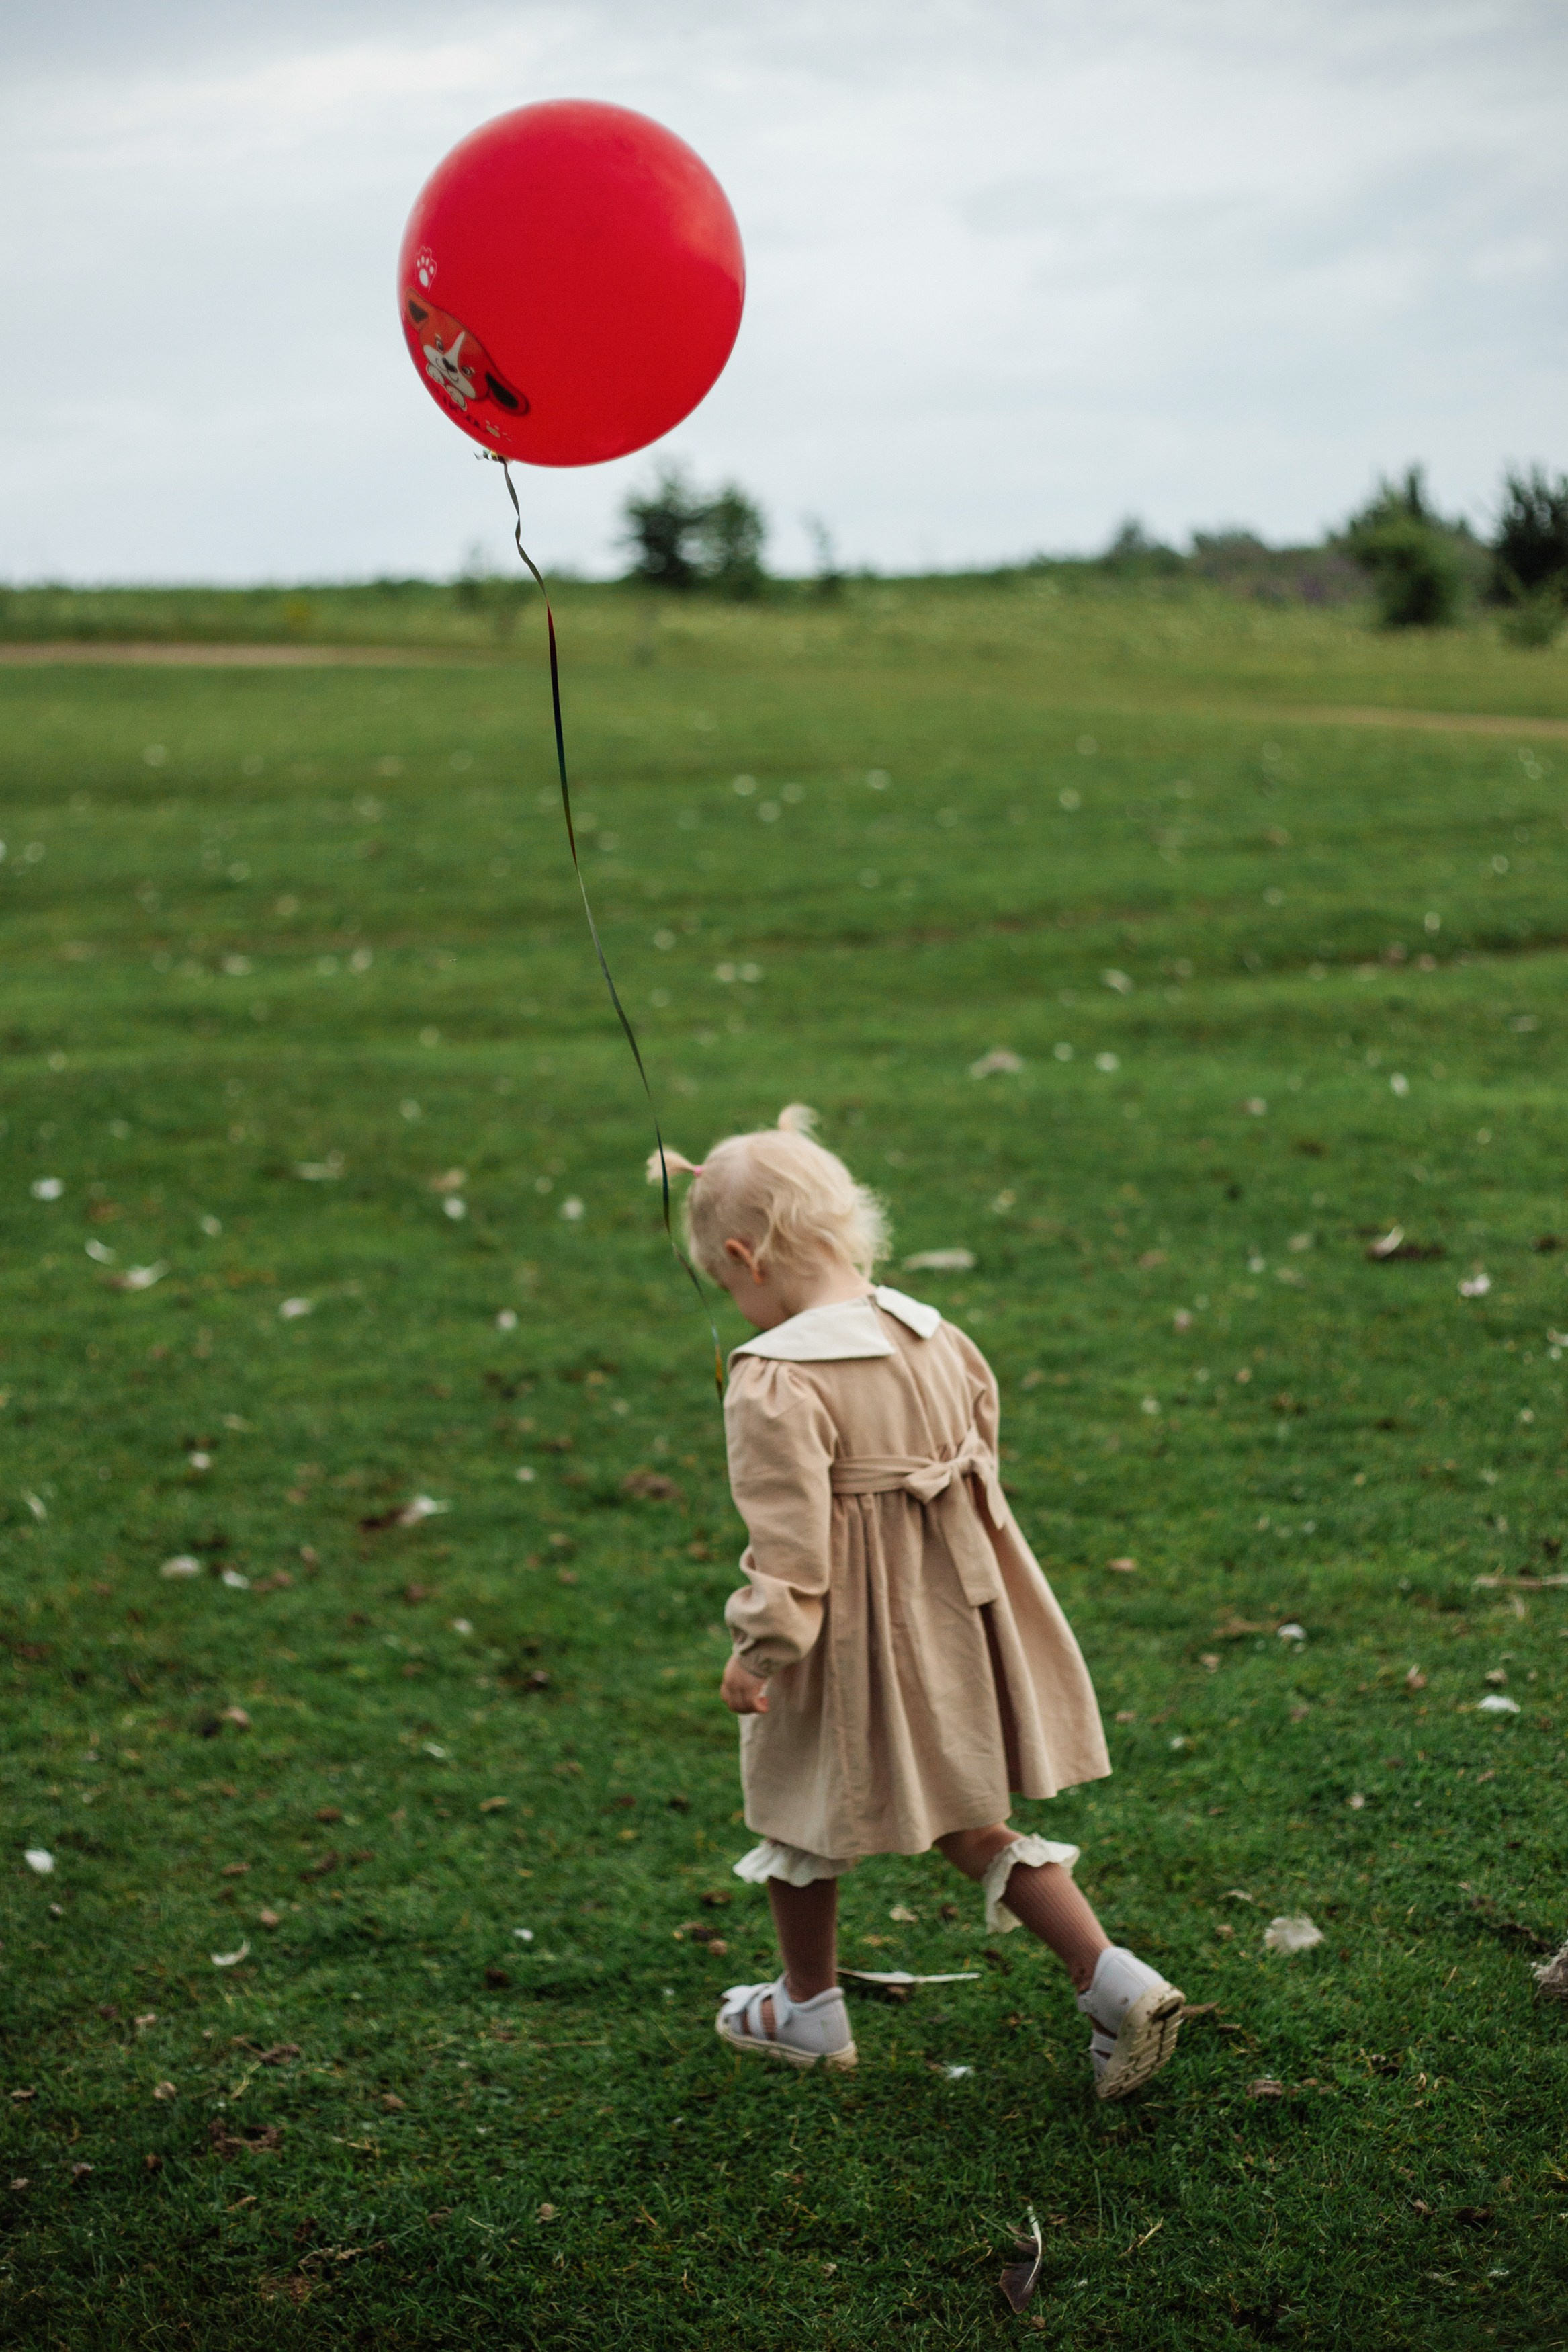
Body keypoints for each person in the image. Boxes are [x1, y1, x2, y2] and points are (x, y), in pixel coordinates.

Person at [649, 1105, 1183, 2100]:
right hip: (959, 1616)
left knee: (799, 1806)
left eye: (727, 1287)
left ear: (743, 1258)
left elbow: (791, 1554)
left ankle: (807, 2009)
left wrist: (757, 1650)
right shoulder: (938, 1336)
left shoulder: (774, 1379)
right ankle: (1112, 1980)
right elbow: (981, 1472)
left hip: (841, 1637)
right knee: (971, 1817)